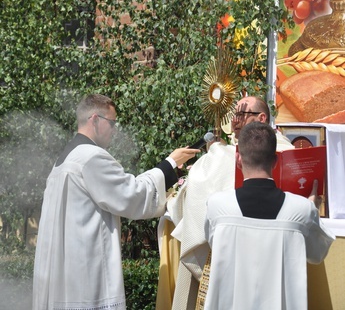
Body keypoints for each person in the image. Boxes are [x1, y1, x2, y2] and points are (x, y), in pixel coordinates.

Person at [32, 93, 199, 310]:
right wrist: (169, 164)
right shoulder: (91, 157)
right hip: (85, 280)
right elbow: (132, 195)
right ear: (94, 119)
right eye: (111, 123)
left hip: (63, 277)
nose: (114, 130)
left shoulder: (64, 159)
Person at [157, 95, 294, 310]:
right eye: (233, 115)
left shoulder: (283, 149)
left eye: (241, 114)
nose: (234, 121)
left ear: (261, 117)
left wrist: (216, 152)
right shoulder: (225, 152)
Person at [203, 121, 335, 310]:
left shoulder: (217, 205)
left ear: (238, 159)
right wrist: (312, 209)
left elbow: (213, 243)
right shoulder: (302, 210)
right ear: (275, 161)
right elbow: (317, 254)